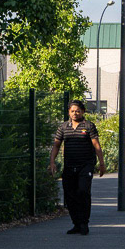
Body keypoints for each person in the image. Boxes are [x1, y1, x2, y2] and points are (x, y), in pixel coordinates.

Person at [49, 100, 105, 235]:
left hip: (85, 166)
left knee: (83, 192)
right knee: (69, 196)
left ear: (83, 112)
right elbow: (56, 145)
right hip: (69, 166)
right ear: (69, 112)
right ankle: (76, 223)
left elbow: (96, 145)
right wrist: (52, 162)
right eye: (72, 111)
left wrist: (101, 163)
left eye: (78, 111)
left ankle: (84, 223)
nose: (75, 113)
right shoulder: (63, 127)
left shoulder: (89, 126)